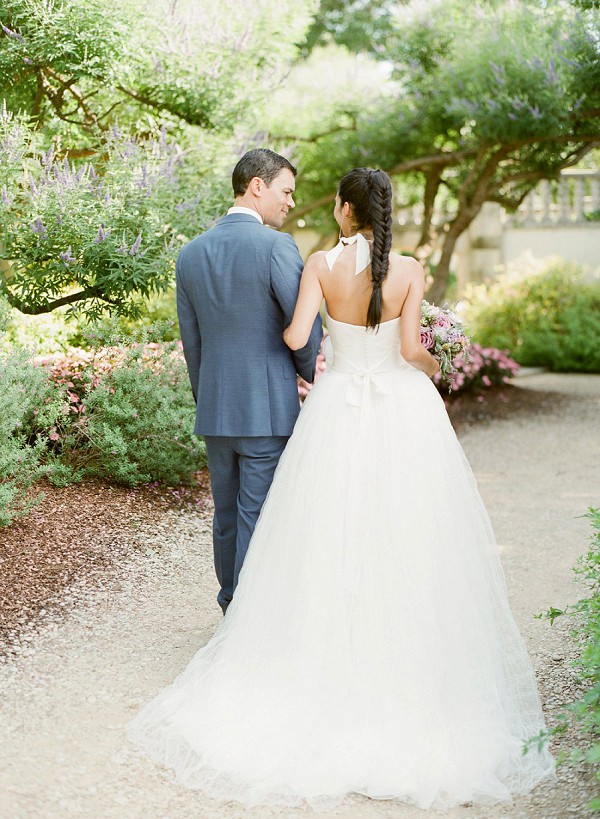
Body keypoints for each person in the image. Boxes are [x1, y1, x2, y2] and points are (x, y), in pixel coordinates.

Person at [128, 168, 555, 811]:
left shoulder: (320, 263)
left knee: (322, 529)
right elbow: (412, 351)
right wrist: (440, 363)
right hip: (402, 413)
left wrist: (321, 353)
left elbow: (298, 337)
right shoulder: (409, 270)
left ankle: (293, 649)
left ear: (345, 210)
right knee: (408, 529)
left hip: (336, 411)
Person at [175, 148, 322, 614]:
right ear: (257, 186)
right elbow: (304, 327)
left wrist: (208, 399)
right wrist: (307, 377)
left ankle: (228, 601)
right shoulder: (277, 246)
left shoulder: (190, 253)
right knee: (256, 511)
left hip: (216, 410)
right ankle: (248, 615)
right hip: (266, 408)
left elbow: (191, 343)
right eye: (286, 191)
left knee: (225, 514)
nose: (290, 203)